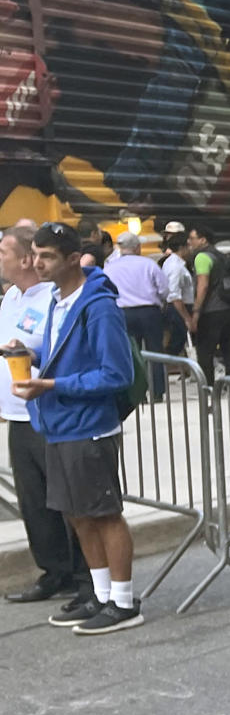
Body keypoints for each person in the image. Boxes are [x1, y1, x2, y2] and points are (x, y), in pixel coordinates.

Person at [10, 222, 141, 633]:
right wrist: (30, 355)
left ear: (72, 259)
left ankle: (123, 601)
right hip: (59, 423)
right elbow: (63, 354)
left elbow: (114, 373)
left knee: (103, 514)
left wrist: (51, 384)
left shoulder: (98, 305)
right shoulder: (56, 300)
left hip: (88, 426)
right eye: (34, 254)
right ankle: (99, 595)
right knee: (77, 515)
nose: (38, 263)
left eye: (47, 256)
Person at [1, 226, 85, 604]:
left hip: (46, 410)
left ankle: (86, 575)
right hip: (16, 415)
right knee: (33, 501)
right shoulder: (9, 299)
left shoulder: (49, 299)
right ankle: (54, 571)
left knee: (67, 499)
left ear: (25, 259)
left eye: (3, 251)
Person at [103, 232, 169, 400]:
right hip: (149, 311)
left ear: (120, 248)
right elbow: (164, 289)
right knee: (155, 351)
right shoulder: (149, 264)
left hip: (123, 312)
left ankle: (138, 393)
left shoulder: (110, 267)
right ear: (137, 247)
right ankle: (158, 391)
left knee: (132, 353)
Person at [186, 223, 230, 382]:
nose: (189, 242)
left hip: (211, 311)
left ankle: (208, 387)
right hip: (228, 309)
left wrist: (196, 312)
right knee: (228, 349)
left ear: (203, 240)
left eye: (192, 238)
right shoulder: (220, 255)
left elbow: (202, 286)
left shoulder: (202, 257)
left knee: (205, 351)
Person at [160, 228, 194, 361]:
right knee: (176, 343)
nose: (191, 249)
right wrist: (186, 317)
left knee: (179, 342)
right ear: (182, 247)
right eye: (188, 246)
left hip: (178, 308)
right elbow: (174, 295)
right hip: (178, 309)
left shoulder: (174, 263)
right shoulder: (176, 266)